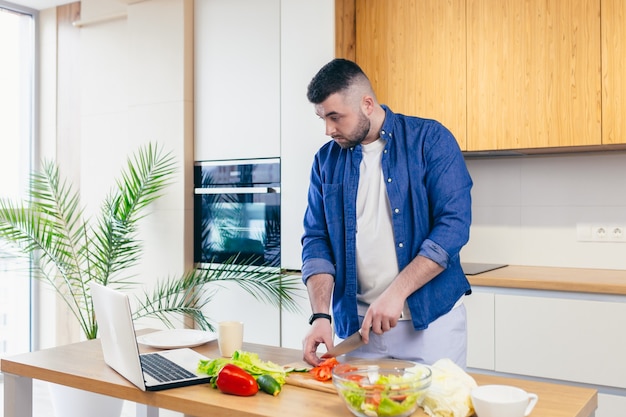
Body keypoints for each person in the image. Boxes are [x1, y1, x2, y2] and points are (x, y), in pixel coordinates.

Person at [301, 58, 473, 368]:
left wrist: (397, 294)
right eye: (322, 118)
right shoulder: (325, 161)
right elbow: (316, 240)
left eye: (336, 117)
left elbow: (453, 228)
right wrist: (321, 315)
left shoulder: (430, 140)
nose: (328, 130)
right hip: (358, 331)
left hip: (431, 326)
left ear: (367, 103)